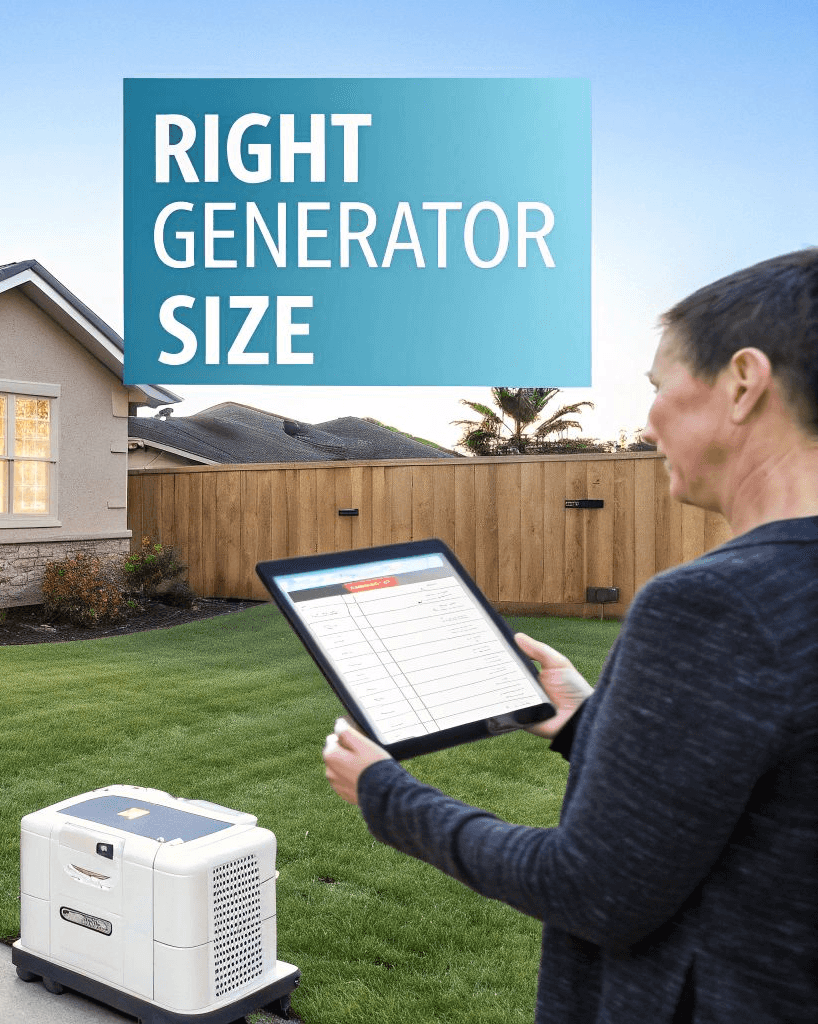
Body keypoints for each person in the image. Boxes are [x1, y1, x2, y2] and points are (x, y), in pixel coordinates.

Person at [322, 248, 818, 1024]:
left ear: (743, 382)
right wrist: (586, 723)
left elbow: (594, 889)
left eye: (659, 386)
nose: (649, 414)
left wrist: (388, 796)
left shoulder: (716, 604)